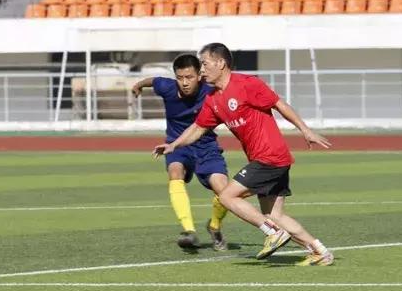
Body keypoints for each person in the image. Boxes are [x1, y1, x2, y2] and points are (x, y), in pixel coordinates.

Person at [153, 42, 335, 266]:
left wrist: (305, 130)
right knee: (275, 215)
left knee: (228, 196)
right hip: (268, 159)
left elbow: (279, 104)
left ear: (220, 63)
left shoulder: (247, 84)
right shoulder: (213, 99)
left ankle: (272, 233)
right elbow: (198, 128)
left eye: (205, 64)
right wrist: (174, 145)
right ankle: (320, 251)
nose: (201, 70)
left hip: (270, 157)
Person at [132, 54, 230, 251]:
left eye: (189, 77)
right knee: (175, 171)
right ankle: (189, 231)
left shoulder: (210, 91)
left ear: (199, 76)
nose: (184, 82)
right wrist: (138, 85)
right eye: (180, 77)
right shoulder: (167, 87)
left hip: (206, 146)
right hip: (177, 145)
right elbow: (152, 81)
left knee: (224, 190)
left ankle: (214, 226)